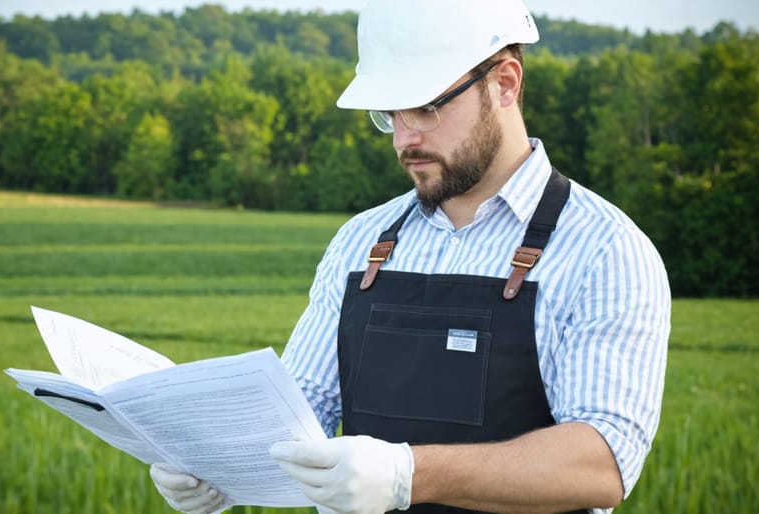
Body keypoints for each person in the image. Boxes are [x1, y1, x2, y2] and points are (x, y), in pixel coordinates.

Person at [149, 0, 671, 513]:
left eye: (427, 106)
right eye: (390, 113)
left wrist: (410, 476)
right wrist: (214, 466)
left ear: (505, 83)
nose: (405, 138)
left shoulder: (605, 250)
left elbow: (602, 462)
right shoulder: (360, 242)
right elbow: (297, 413)